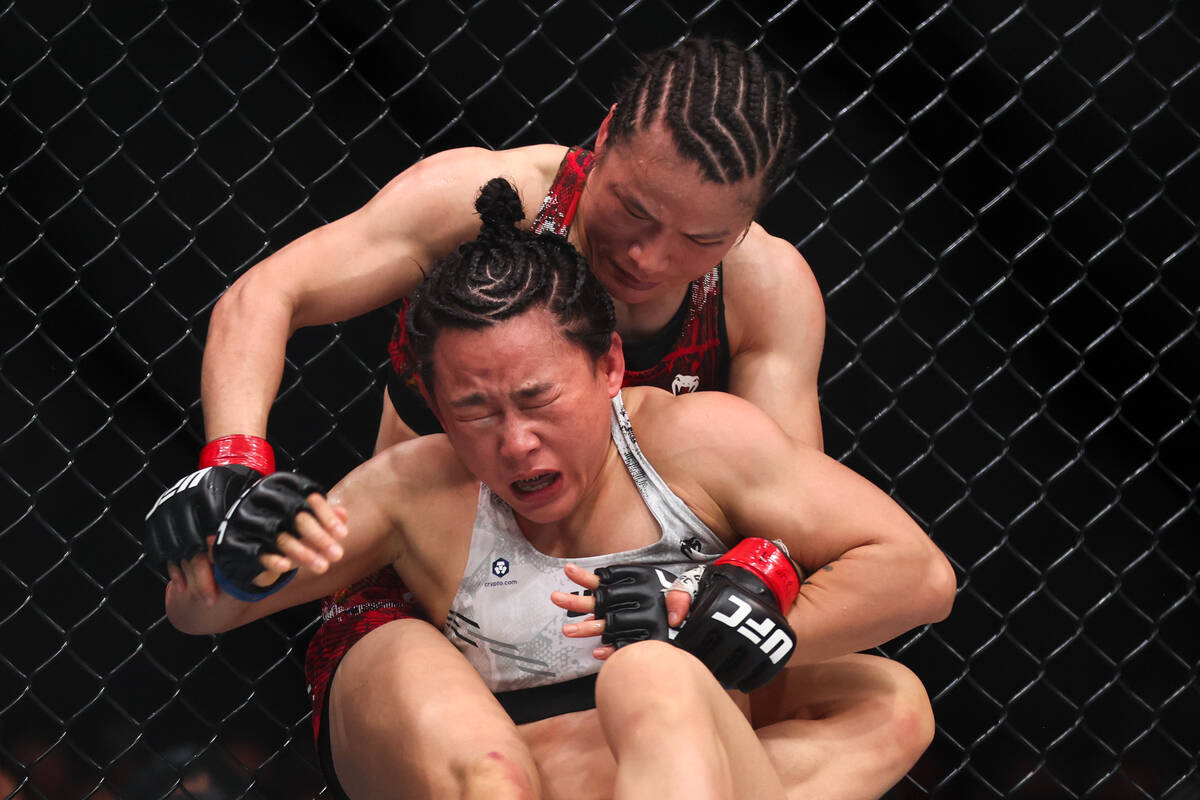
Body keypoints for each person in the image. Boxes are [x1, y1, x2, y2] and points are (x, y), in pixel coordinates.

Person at [145, 37, 940, 798]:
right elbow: (268, 294)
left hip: (636, 609)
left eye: (700, 238)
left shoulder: (762, 292)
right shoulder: (485, 202)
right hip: (423, 578)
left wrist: (729, 595)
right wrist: (235, 471)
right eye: (633, 209)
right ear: (603, 139)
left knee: (885, 701)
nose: (648, 258)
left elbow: (792, 527)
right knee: (497, 775)